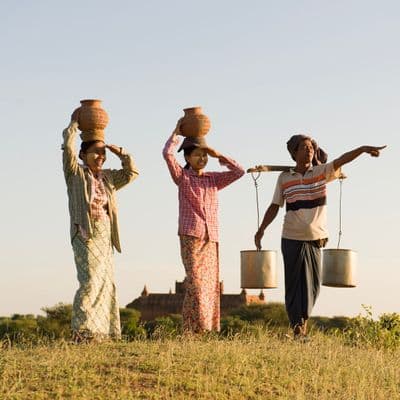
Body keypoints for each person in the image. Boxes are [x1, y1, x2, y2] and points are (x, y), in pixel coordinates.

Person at [254, 134, 385, 339]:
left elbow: (342, 159)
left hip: (316, 237)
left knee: (312, 284)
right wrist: (261, 229)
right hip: (291, 235)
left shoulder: (321, 172)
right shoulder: (285, 178)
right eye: (304, 147)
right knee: (293, 284)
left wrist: (362, 149)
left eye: (311, 148)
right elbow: (274, 206)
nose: (309, 151)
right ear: (294, 152)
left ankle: (302, 323)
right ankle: (297, 328)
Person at [62, 111, 139, 342]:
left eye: (102, 153)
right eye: (95, 152)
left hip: (105, 235)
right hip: (85, 232)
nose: (100, 156)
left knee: (106, 282)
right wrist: (73, 126)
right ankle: (83, 332)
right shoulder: (75, 173)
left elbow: (132, 173)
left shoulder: (108, 178)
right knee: (90, 281)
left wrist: (121, 153)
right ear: (83, 155)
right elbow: (67, 150)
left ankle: (103, 332)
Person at [163, 121, 245, 333]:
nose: (202, 159)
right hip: (191, 235)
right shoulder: (182, 177)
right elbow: (168, 155)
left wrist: (217, 154)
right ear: (188, 158)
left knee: (209, 287)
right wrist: (176, 134)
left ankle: (198, 331)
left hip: (211, 238)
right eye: (198, 155)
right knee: (196, 284)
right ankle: (195, 328)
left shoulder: (214, 179)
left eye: (204, 155)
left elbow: (239, 171)